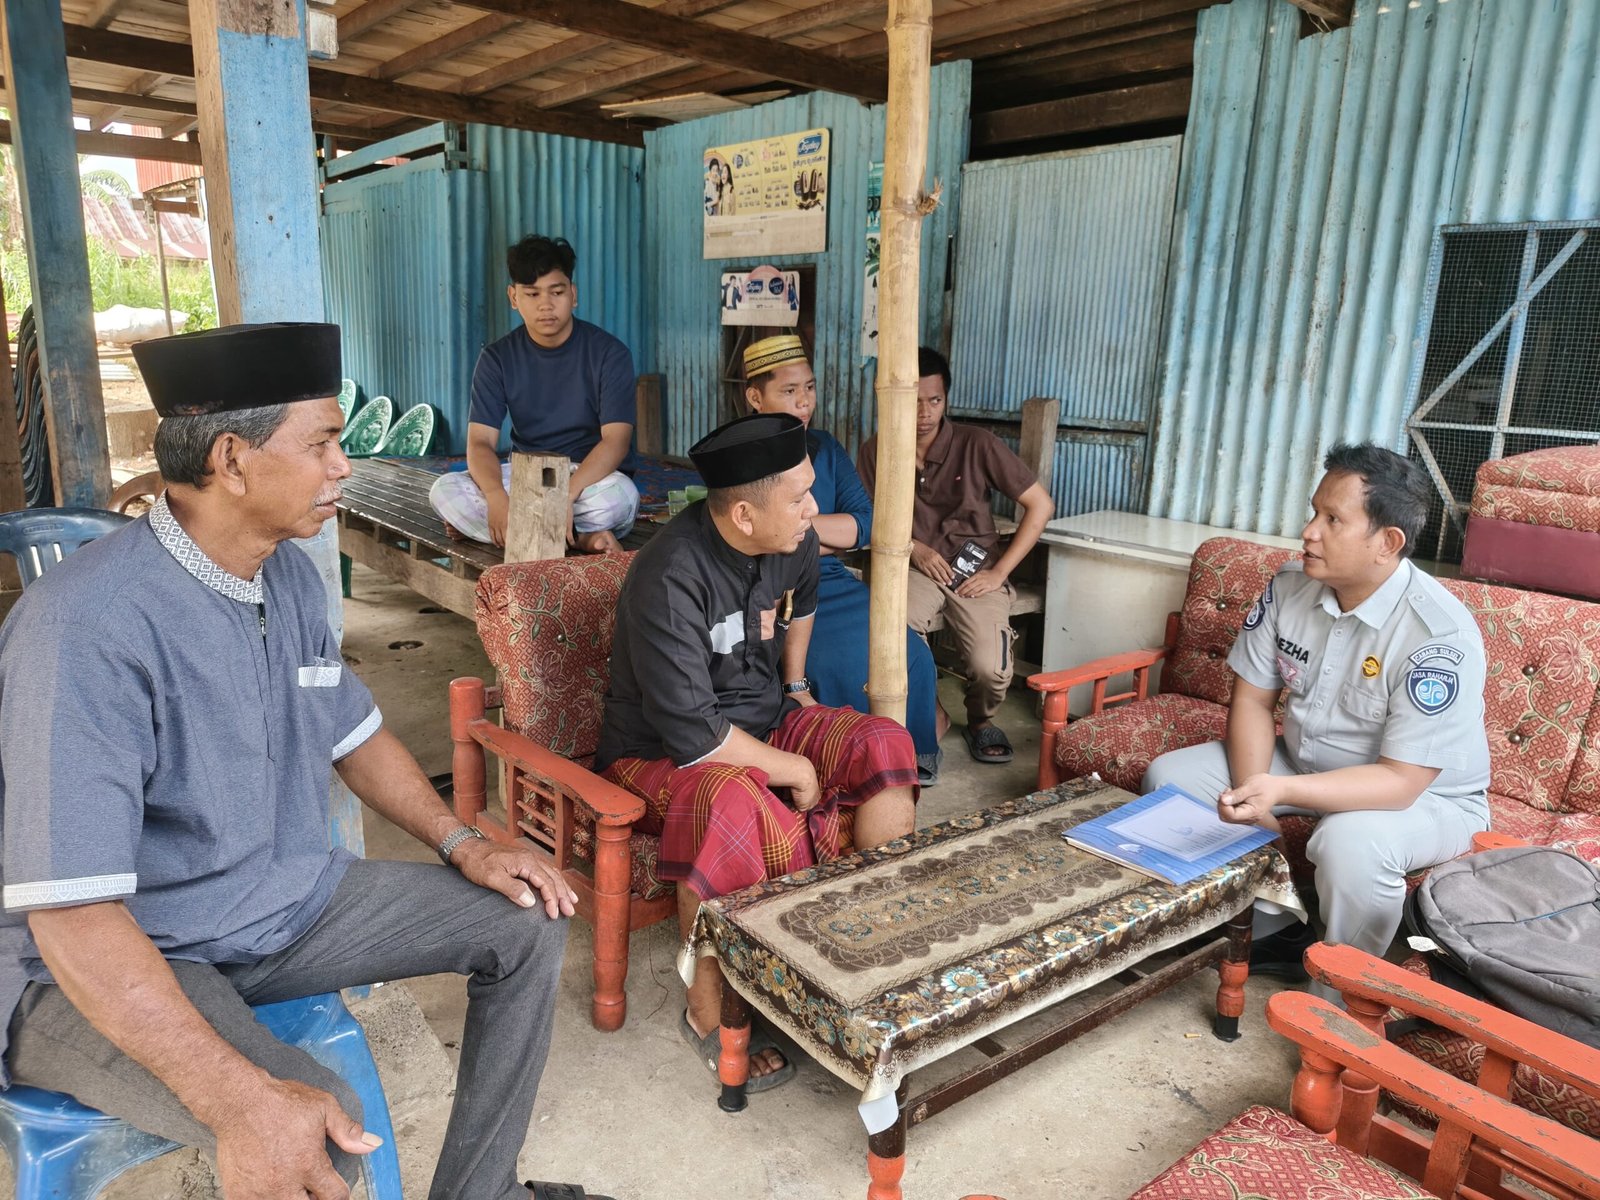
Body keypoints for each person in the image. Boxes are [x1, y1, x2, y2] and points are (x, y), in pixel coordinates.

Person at [0, 323, 591, 1200]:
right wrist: (241, 1100)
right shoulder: (84, 628)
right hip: (103, 960)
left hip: (278, 903)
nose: (343, 465)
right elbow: (73, 917)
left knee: (525, 921)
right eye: (321, 442)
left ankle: (483, 1191)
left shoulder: (286, 577)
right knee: (318, 1126)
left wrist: (465, 842)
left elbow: (352, 738)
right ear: (233, 460)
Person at [594, 412, 918, 1091]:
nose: (813, 509)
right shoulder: (668, 577)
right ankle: (710, 1017)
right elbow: (696, 739)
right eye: (799, 497)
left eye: (810, 490)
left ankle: (863, 966)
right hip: (656, 757)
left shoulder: (790, 537)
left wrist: (795, 683)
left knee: (882, 741)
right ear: (743, 515)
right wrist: (795, 767)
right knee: (737, 799)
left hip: (765, 722)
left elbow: (798, 606)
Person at [1142, 444, 1490, 981]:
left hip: (1426, 798)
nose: (1308, 532)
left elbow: (1400, 783)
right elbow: (1254, 700)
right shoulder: (1289, 585)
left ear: (1387, 543)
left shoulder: (1438, 635)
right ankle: (1279, 924)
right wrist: (1256, 785)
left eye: (1333, 520)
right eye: (1313, 512)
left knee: (1350, 841)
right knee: (1172, 780)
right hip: (1303, 763)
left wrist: (1276, 794)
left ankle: (1340, 987)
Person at [741, 334, 943, 783]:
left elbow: (867, 524)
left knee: (911, 652)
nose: (804, 401)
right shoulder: (740, 455)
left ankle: (913, 750)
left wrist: (798, 531)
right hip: (770, 586)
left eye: (809, 388)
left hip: (829, 578)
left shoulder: (825, 447)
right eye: (789, 391)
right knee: (828, 662)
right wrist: (827, 532)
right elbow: (755, 539)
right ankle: (846, 760)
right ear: (755, 397)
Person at [857, 346, 1054, 765]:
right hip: (912, 567)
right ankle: (927, 719)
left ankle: (981, 722)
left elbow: (1041, 506)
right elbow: (865, 516)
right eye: (914, 402)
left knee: (990, 666)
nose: (925, 412)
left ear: (946, 398)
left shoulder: (977, 443)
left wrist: (1000, 572)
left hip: (975, 572)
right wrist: (917, 549)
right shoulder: (877, 450)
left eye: (935, 400)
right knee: (895, 636)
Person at [429, 234, 638, 554]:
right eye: (532, 293)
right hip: (524, 477)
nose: (546, 304)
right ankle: (580, 538)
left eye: (557, 292)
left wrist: (565, 496)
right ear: (513, 297)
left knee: (621, 498)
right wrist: (498, 497)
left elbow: (616, 441)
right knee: (444, 491)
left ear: (573, 294)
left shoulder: (609, 354)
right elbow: (480, 443)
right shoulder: (497, 358)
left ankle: (522, 531)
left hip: (586, 479)